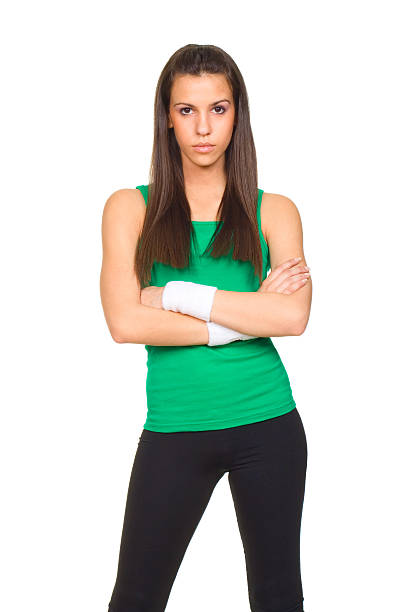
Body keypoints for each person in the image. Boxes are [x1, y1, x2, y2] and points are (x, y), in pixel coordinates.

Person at [100, 43, 312, 612]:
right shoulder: (130, 208)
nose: (203, 128)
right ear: (167, 116)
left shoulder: (275, 210)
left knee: (277, 596)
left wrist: (176, 296)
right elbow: (124, 322)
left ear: (237, 114)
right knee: (136, 597)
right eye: (187, 110)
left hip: (269, 425)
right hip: (175, 429)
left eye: (217, 109)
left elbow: (291, 316)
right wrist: (245, 314)